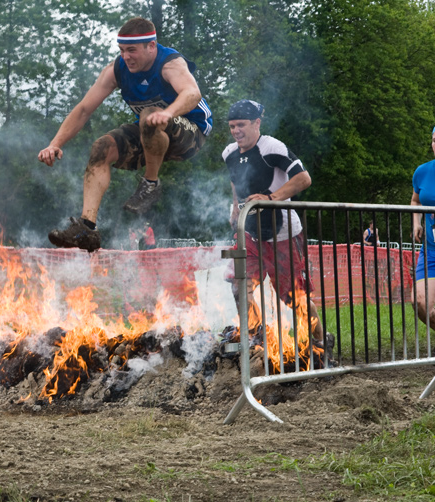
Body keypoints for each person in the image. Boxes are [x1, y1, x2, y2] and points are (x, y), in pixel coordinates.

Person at [38, 17, 212, 252]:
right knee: (101, 147)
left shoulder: (170, 64)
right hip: (150, 133)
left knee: (149, 115)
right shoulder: (116, 70)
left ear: (151, 46)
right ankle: (86, 228)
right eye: (121, 50)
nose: (126, 57)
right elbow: (83, 109)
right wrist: (55, 143)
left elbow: (192, 93)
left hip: (191, 133)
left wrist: (168, 113)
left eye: (132, 50)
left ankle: (150, 184)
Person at [223, 99, 326, 347]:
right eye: (232, 126)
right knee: (239, 288)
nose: (236, 131)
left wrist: (270, 199)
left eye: (241, 125)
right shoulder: (229, 153)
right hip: (249, 233)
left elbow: (303, 178)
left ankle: (321, 345)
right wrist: (235, 208)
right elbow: (235, 181)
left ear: (257, 123)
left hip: (283, 234)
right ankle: (257, 339)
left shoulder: (272, 147)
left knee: (294, 299)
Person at [411, 126, 435, 329]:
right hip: (431, 250)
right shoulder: (423, 172)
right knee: (420, 303)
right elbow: (416, 200)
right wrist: (417, 222)